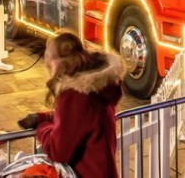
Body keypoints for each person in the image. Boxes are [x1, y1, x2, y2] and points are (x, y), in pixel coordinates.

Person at [13, 31, 125, 178]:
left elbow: (58, 151)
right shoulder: (98, 88)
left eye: (49, 61)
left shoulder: (75, 96)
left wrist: (42, 127)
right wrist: (44, 117)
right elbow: (79, 121)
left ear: (58, 63)